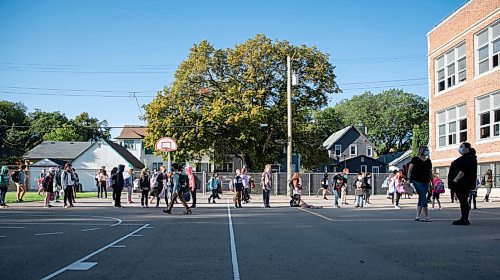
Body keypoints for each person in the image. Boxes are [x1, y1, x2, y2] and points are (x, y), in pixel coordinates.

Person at [448, 142, 477, 226]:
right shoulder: (466, 157)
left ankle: (464, 219)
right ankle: (464, 218)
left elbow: (463, 171)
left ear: (467, 148)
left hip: (463, 183)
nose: (460, 149)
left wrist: (455, 180)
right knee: (463, 200)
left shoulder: (469, 158)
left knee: (463, 200)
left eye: (461, 147)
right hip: (462, 183)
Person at [407, 146, 433, 222]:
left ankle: (417, 216)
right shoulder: (415, 159)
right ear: (422, 151)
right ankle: (427, 216)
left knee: (421, 197)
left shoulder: (428, 161)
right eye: (426, 150)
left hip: (426, 181)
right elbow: (410, 170)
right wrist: (408, 179)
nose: (427, 151)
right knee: (423, 196)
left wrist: (432, 182)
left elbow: (430, 172)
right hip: (416, 181)